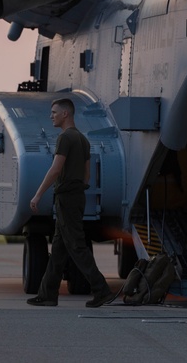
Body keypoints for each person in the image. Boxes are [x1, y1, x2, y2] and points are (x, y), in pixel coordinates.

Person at [26, 98, 117, 308]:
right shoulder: (83, 139)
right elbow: (87, 175)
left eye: (54, 112)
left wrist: (38, 195)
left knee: (76, 246)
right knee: (59, 247)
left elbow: (56, 169)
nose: (51, 116)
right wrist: (77, 189)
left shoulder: (65, 138)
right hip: (78, 196)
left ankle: (101, 290)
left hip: (66, 197)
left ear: (65, 114)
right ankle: (48, 294)